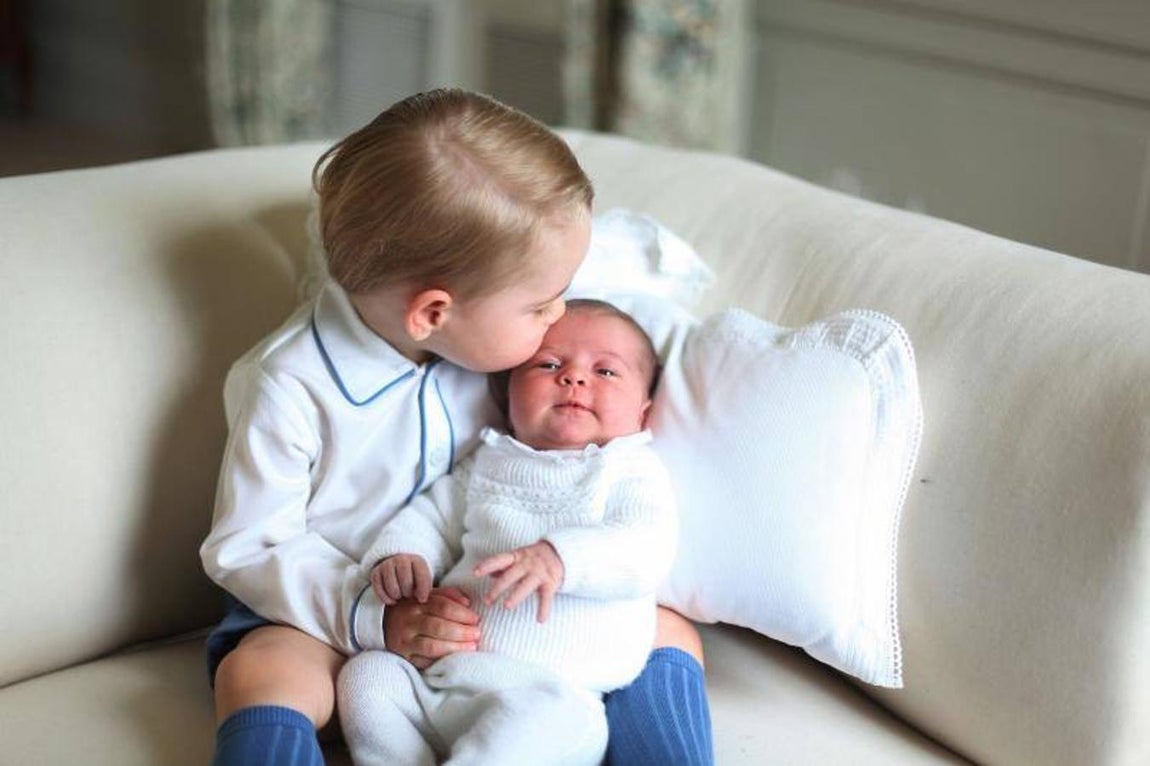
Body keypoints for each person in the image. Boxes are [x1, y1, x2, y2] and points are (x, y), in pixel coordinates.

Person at [200, 88, 712, 766]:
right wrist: (375, 614)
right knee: (262, 669)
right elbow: (246, 547)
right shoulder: (290, 386)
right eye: (541, 304)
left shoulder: (492, 329)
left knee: (669, 629)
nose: (558, 315)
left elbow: (591, 280)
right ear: (433, 314)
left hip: (500, 613)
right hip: (332, 611)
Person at [338, 299, 676, 765]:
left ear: (643, 412)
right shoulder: (489, 461)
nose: (574, 378)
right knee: (368, 675)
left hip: (553, 694)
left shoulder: (631, 469)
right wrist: (402, 555)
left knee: (555, 723)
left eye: (606, 371)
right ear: (508, 391)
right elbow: (432, 516)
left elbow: (647, 548)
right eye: (549, 364)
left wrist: (561, 559)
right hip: (443, 679)